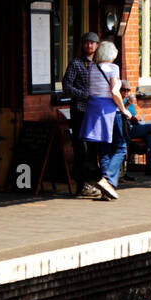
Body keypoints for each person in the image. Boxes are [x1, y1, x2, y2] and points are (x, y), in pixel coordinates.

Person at [78, 41, 133, 199]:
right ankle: (108, 180)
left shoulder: (92, 68)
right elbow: (115, 91)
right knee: (121, 146)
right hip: (110, 111)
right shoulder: (113, 68)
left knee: (104, 151)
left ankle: (105, 190)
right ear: (111, 54)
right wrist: (124, 110)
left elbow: (90, 90)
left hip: (94, 111)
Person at [62, 32, 101, 197]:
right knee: (80, 148)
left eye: (93, 43)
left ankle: (94, 182)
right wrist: (82, 94)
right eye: (86, 43)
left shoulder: (99, 65)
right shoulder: (76, 64)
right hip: (80, 110)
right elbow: (66, 86)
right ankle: (81, 184)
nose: (89, 46)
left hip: (95, 112)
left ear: (97, 46)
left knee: (94, 149)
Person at [120, 81, 151, 175]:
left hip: (133, 126)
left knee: (150, 136)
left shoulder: (128, 100)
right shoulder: (119, 100)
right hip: (125, 129)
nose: (126, 92)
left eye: (128, 90)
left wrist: (137, 118)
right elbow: (121, 113)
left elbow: (133, 115)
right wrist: (127, 105)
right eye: (123, 90)